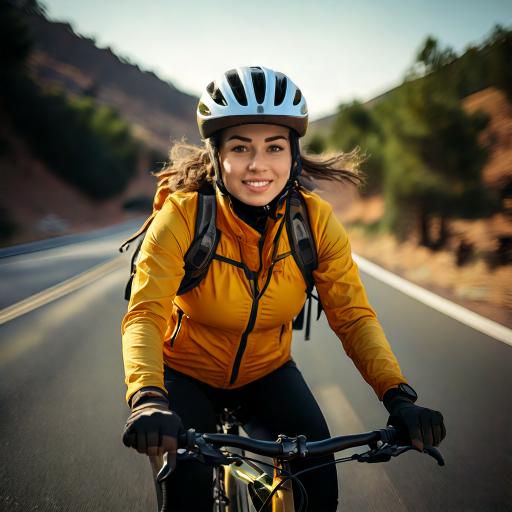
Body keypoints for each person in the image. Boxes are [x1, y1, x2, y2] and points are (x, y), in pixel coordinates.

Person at [121, 66, 446, 511]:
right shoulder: (181, 217)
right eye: (240, 147)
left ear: (293, 154)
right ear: (217, 156)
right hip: (185, 375)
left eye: (274, 147)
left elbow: (352, 317)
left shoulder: (314, 222)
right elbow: (144, 314)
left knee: (318, 485)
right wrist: (148, 398)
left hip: (267, 372)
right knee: (188, 492)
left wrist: (398, 396)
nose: (258, 165)